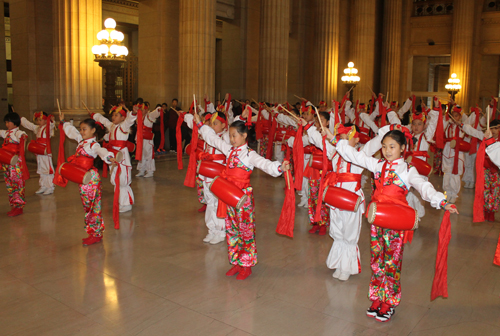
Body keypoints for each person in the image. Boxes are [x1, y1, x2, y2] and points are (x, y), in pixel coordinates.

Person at [331, 127, 458, 322]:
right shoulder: (378, 165)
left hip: (396, 222)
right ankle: (376, 297)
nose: (387, 151)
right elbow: (356, 157)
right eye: (384, 147)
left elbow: (424, 187)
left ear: (402, 148)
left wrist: (441, 201)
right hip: (378, 220)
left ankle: (389, 302)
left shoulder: (407, 170)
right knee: (377, 261)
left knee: (392, 263)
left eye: (392, 146)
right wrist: (337, 141)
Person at [194, 113, 290, 280]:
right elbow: (213, 139)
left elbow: (264, 164)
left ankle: (247, 265)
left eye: (234, 135)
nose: (231, 139)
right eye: (230, 136)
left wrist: (279, 168)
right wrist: (201, 125)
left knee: (246, 231)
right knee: (232, 230)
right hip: (228, 195)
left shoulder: (249, 154)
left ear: (244, 135)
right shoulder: (230, 150)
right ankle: (236, 262)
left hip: (243, 198)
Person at [306, 121, 391, 281]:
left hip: (352, 199)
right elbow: (320, 140)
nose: (343, 140)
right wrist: (308, 127)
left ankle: (347, 267)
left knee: (349, 232)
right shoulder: (335, 151)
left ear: (357, 139)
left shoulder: (361, 153)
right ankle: (338, 263)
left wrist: (388, 129)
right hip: (335, 197)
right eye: (341, 137)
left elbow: (377, 141)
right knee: (337, 231)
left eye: (347, 137)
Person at [59, 114, 117, 245]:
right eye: (81, 129)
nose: (81, 132)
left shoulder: (93, 145)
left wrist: (109, 158)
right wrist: (64, 122)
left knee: (92, 206)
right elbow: (71, 132)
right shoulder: (81, 140)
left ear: (93, 130)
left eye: (84, 129)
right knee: (88, 206)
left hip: (91, 178)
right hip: (82, 177)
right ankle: (93, 232)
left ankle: (96, 233)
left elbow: (102, 151)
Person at [185, 111, 230, 244]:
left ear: (224, 125)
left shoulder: (225, 137)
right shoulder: (207, 136)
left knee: (217, 203)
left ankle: (221, 231)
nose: (212, 126)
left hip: (218, 175)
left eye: (215, 123)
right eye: (211, 123)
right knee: (210, 202)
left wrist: (243, 117)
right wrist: (189, 117)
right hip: (206, 174)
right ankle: (211, 230)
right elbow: (194, 126)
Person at [91, 104, 137, 213]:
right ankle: (121, 201)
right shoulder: (112, 126)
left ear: (122, 118)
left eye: (117, 115)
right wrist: (94, 115)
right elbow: (103, 120)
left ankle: (126, 204)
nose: (114, 117)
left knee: (123, 180)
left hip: (122, 157)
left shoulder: (123, 127)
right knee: (115, 179)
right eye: (113, 115)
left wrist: (133, 113)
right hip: (113, 156)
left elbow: (130, 121)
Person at [462, 119, 500, 221]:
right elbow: (473, 132)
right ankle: (486, 211)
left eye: (497, 128)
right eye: (493, 129)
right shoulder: (485, 137)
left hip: (496, 172)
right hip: (485, 170)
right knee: (485, 192)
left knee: (495, 193)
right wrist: (463, 125)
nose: (495, 131)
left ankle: (491, 213)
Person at [21, 111, 56, 195]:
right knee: (41, 169)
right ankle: (43, 185)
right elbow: (29, 125)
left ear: (45, 120)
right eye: (37, 120)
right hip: (38, 151)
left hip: (45, 151)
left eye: (40, 120)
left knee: (48, 169)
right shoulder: (37, 128)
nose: (38, 122)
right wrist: (21, 119)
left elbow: (51, 126)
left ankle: (50, 187)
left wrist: (51, 121)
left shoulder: (47, 128)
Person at [1, 112, 28, 217]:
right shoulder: (7, 133)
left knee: (17, 184)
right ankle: (14, 205)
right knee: (10, 185)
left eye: (9, 122)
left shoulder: (17, 133)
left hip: (15, 165)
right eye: (6, 122)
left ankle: (19, 206)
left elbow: (22, 135)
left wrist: (23, 136)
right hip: (7, 163)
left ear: (15, 122)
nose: (7, 124)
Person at [442, 105, 466, 203]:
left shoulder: (462, 127)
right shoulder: (447, 125)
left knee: (455, 173)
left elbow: (466, 130)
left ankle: (454, 194)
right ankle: (447, 192)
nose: (454, 117)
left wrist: (460, 123)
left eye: (457, 116)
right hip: (447, 150)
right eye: (453, 115)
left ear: (460, 117)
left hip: (457, 151)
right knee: (447, 171)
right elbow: (441, 126)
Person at [136, 105, 162, 178]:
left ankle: (150, 171)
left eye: (143, 109)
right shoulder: (140, 117)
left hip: (148, 139)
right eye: (140, 110)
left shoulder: (149, 116)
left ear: (147, 110)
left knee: (149, 154)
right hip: (141, 138)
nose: (142, 111)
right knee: (141, 154)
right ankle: (141, 170)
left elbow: (155, 113)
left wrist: (158, 109)